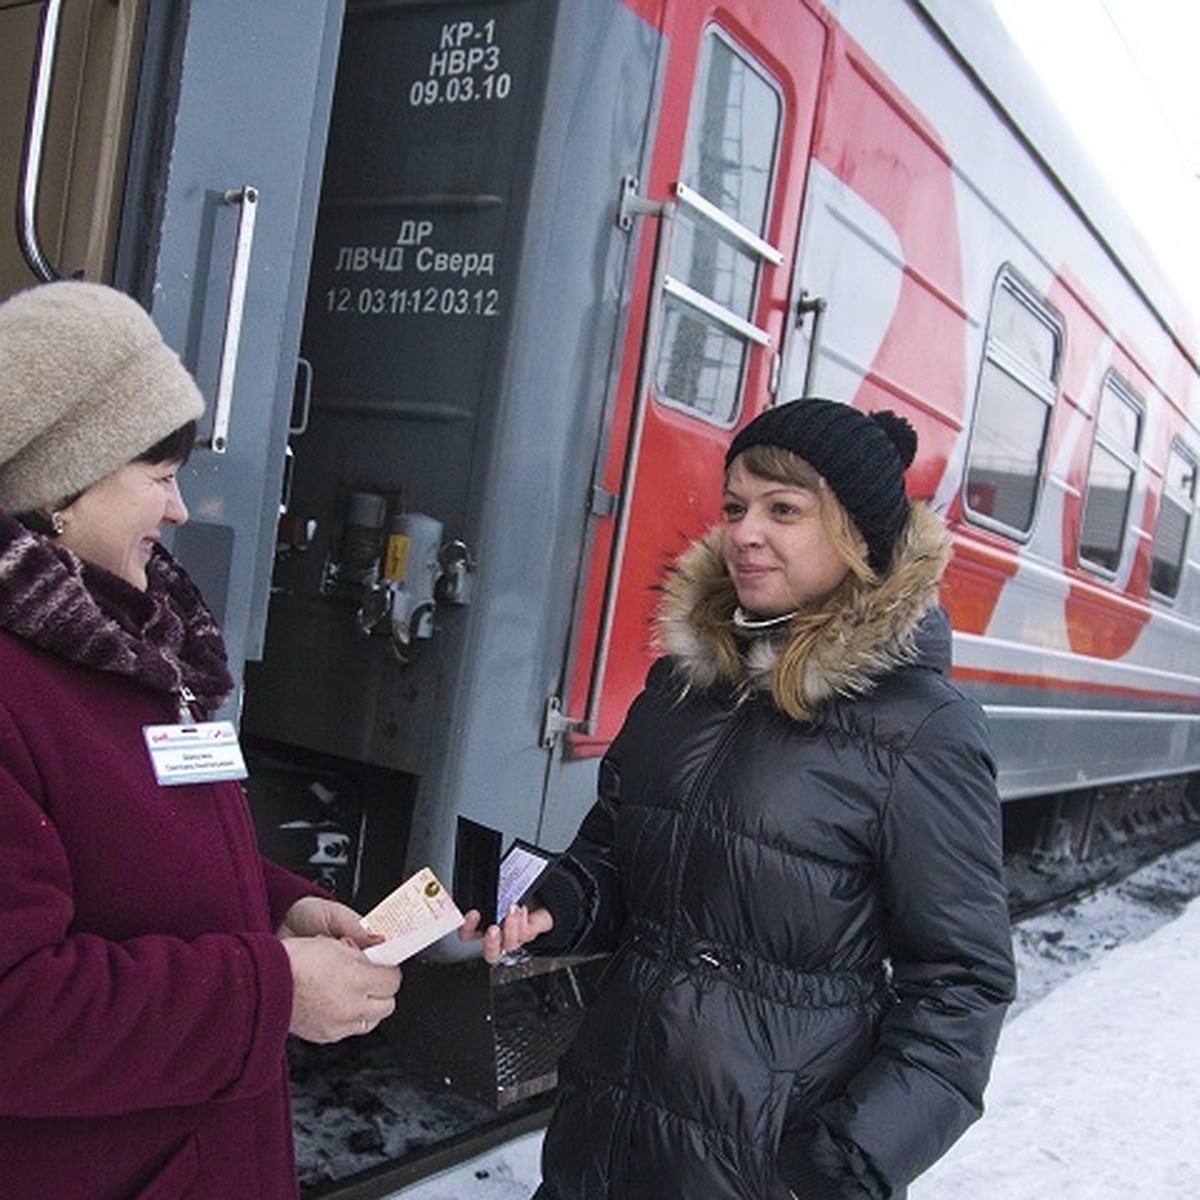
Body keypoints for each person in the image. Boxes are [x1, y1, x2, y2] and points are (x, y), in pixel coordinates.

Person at [462, 398, 1017, 1199]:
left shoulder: (921, 729)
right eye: (735, 507)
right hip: (606, 1130)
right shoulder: (682, 686)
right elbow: (613, 852)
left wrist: (848, 1159)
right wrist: (563, 902)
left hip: (763, 1164)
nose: (743, 532)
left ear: (859, 536)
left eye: (783, 510)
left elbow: (964, 982)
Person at [0, 280, 402, 1199]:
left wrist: (277, 909)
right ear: (62, 488)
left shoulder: (119, 643)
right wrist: (270, 991)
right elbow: (15, 1008)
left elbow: (131, 862)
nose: (180, 511)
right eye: (158, 476)